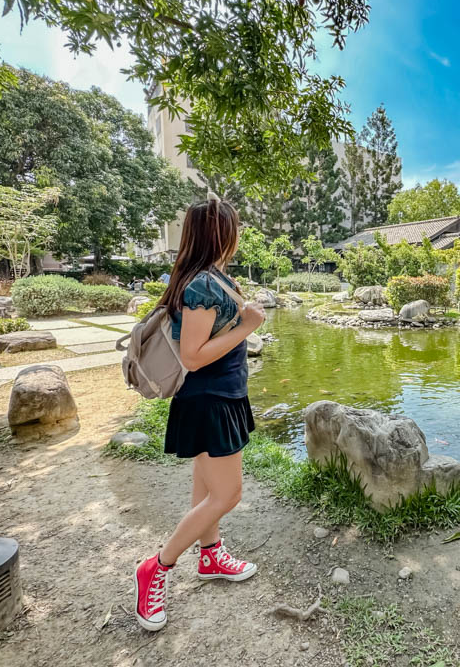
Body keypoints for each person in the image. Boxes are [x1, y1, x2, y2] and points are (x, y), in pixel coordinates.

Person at [133, 197, 265, 633]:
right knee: (227, 495)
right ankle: (155, 568)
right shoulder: (203, 286)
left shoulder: (210, 279)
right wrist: (247, 327)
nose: (239, 233)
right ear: (220, 233)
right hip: (209, 399)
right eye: (235, 227)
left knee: (207, 488)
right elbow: (192, 356)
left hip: (218, 396)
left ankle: (210, 557)